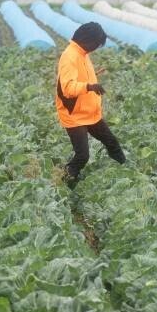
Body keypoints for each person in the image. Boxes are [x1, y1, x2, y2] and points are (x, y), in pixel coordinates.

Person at [56, 21, 126, 188]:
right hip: (75, 116)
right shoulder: (69, 56)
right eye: (96, 44)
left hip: (90, 113)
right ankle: (62, 183)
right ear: (88, 40)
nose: (96, 48)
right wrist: (89, 86)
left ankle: (127, 172)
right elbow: (67, 88)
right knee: (82, 156)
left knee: (112, 143)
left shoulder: (82, 54)